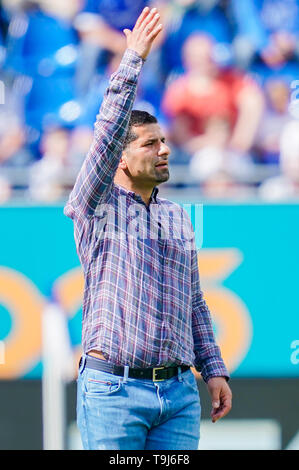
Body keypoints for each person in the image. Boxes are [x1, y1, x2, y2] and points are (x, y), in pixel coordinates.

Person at [64, 7, 232, 451]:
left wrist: (213, 369)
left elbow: (194, 301)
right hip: (114, 392)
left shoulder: (177, 216)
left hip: (177, 395)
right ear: (119, 158)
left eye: (164, 140)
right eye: (150, 143)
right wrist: (132, 60)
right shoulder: (96, 206)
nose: (165, 149)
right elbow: (104, 135)